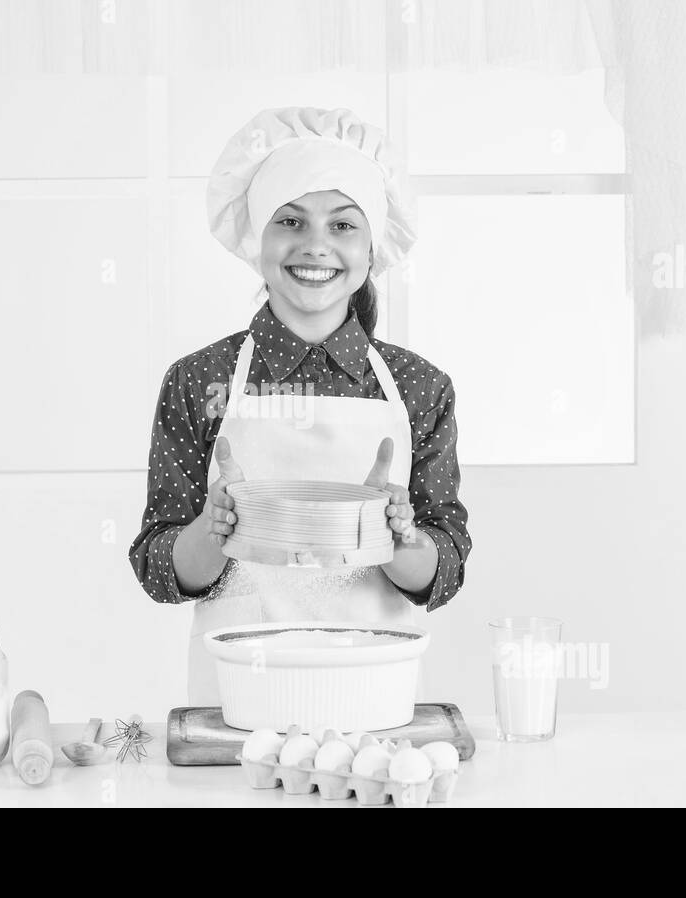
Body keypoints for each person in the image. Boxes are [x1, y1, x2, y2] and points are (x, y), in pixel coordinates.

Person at [129, 107, 471, 705]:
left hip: (375, 698)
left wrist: (399, 537)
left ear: (372, 248)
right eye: (291, 221)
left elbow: (443, 572)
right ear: (258, 238)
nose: (316, 246)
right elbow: (160, 568)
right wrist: (217, 529)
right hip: (238, 700)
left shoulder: (420, 387)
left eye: (343, 226)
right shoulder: (199, 380)